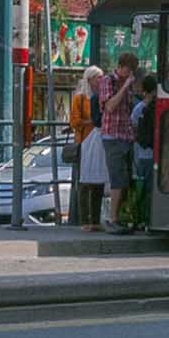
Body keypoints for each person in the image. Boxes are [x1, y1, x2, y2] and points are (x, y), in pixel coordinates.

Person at [98, 52, 139, 234]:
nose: (128, 74)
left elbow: (129, 109)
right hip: (112, 136)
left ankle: (121, 215)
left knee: (125, 179)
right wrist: (124, 87)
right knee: (116, 178)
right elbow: (109, 106)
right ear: (121, 67)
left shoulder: (128, 85)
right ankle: (112, 217)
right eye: (127, 71)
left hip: (126, 136)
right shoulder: (109, 81)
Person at [70, 65, 104, 231]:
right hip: (84, 140)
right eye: (98, 77)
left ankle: (96, 220)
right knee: (84, 182)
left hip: (98, 141)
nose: (100, 80)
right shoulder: (80, 98)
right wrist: (93, 122)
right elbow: (74, 122)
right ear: (89, 79)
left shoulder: (101, 96)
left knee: (98, 180)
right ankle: (84, 220)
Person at [129, 74, 159, 228]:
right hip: (154, 152)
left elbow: (133, 129)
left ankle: (141, 218)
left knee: (143, 186)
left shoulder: (138, 108)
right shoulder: (158, 107)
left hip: (142, 152)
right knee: (151, 187)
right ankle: (148, 217)